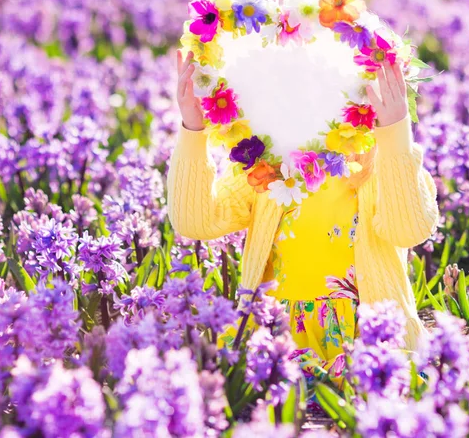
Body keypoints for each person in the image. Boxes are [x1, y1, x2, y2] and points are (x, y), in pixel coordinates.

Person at [167, 48, 439, 390]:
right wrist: (194, 130)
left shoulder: (380, 166)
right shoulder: (266, 169)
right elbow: (195, 221)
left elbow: (409, 229)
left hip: (367, 340)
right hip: (277, 339)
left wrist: (396, 135)